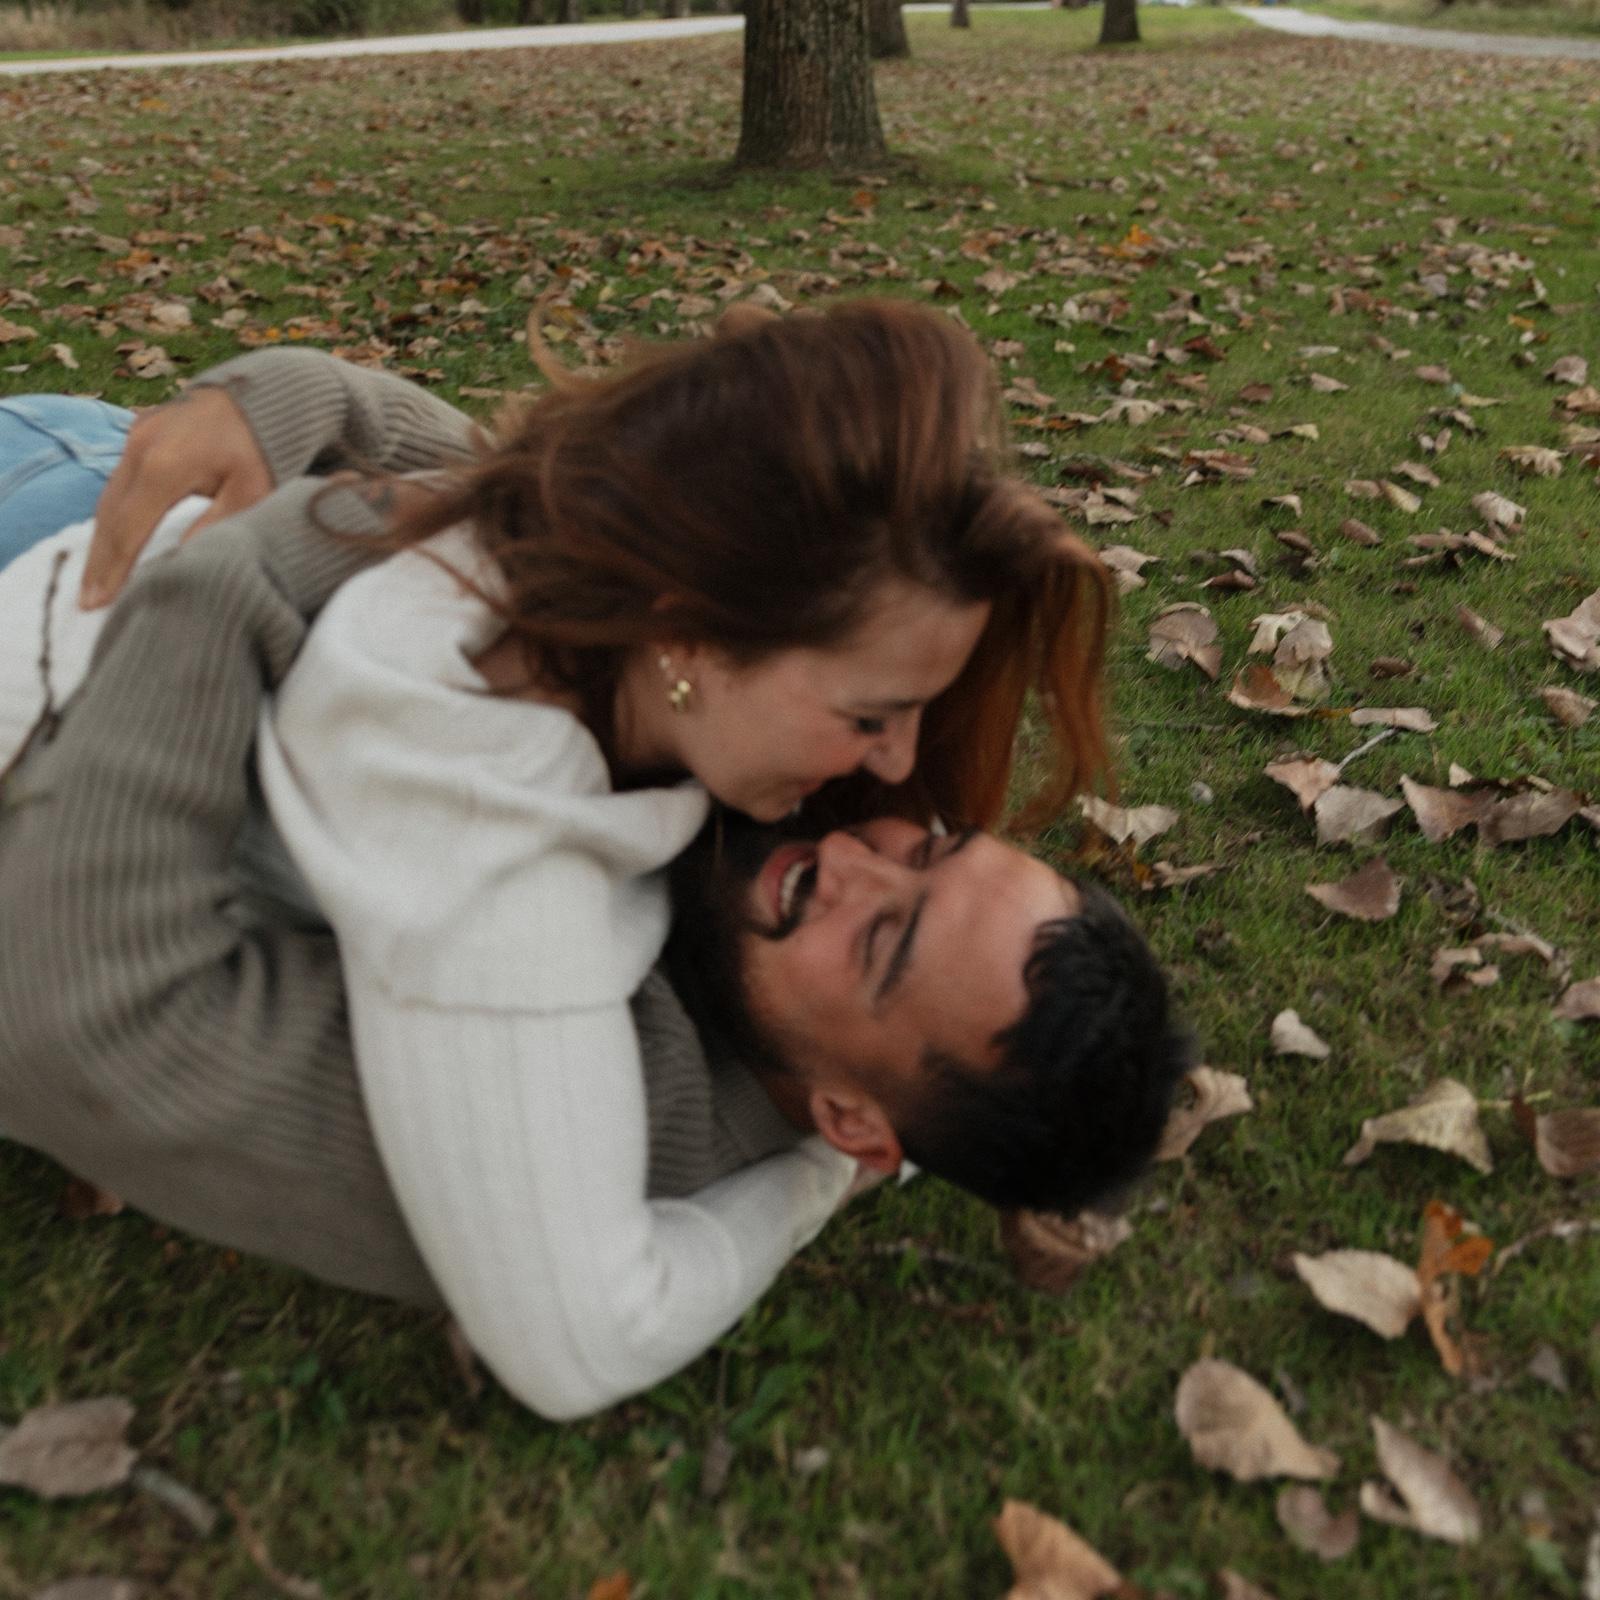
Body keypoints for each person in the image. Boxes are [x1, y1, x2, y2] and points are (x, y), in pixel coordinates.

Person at [0, 302, 1183, 1419]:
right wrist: (292, 399)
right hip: (129, 472)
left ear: (849, 1120)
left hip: (58, 600)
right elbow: (562, 522)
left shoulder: (537, 1011)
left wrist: (253, 573)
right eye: (929, 846)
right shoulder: (747, 779)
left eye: (881, 937)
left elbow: (86, 1017)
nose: (866, 819)